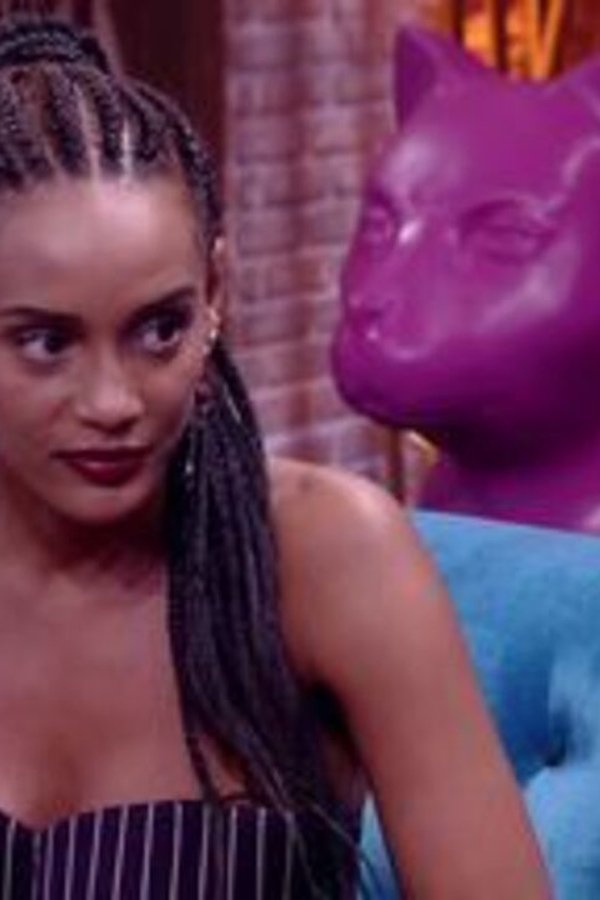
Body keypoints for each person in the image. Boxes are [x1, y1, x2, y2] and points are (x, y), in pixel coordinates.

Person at [0, 12, 551, 899]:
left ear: (216, 292)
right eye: (45, 342)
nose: (114, 402)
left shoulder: (330, 556)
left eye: (159, 328)